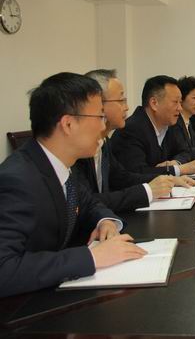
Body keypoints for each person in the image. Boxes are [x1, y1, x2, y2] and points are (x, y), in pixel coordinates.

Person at [0, 73, 147, 298]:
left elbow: (89, 203)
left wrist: (105, 221)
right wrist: (92, 257)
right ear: (68, 124)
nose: (103, 125)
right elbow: (4, 270)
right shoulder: (17, 180)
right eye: (99, 116)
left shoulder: (64, 164)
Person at [74, 70, 195, 212]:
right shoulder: (80, 147)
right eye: (121, 100)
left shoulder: (103, 141)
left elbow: (121, 177)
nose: (127, 107)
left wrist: (169, 179)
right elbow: (84, 203)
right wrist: (148, 191)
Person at [110, 75, 195, 176]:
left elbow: (185, 151)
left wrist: (176, 162)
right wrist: (180, 169)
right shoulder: (131, 130)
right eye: (175, 102)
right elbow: (138, 173)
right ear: (154, 103)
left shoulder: (169, 124)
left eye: (180, 102)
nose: (180, 108)